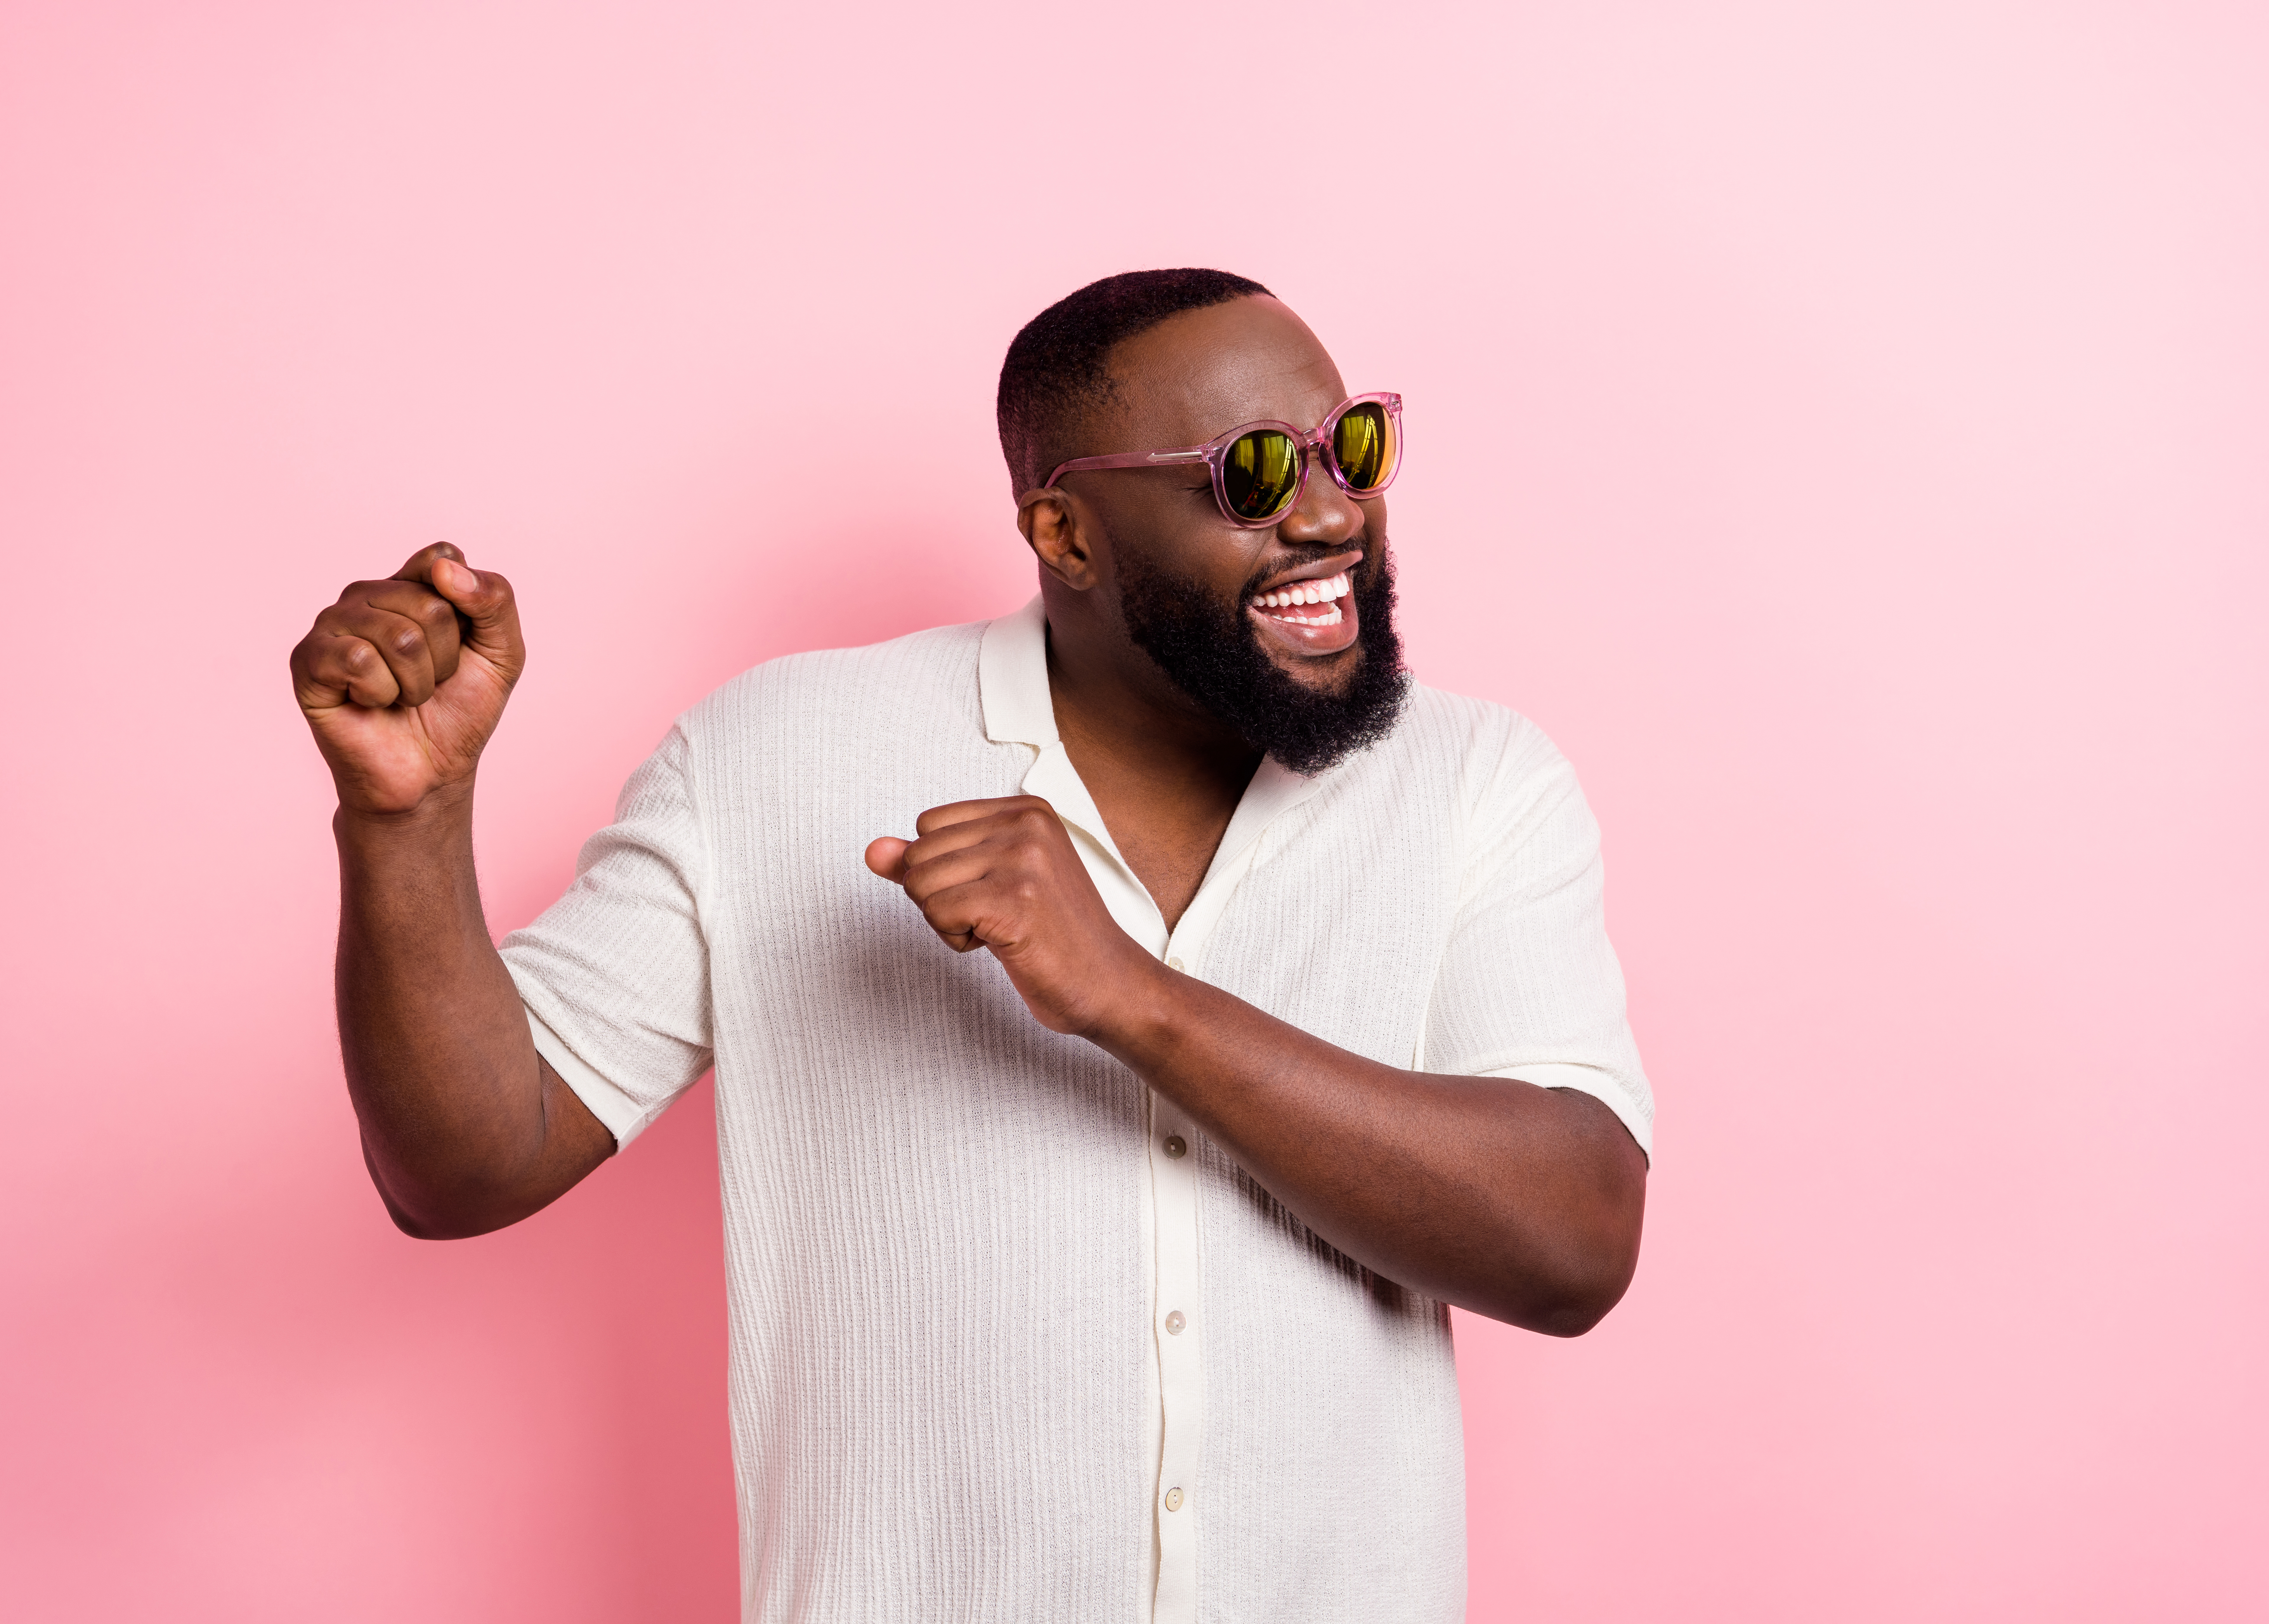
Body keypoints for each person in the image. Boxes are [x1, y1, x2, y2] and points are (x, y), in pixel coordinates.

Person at [288, 268, 1653, 1622]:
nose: (1330, 510)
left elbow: (1575, 1237)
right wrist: (407, 821)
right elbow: (463, 1164)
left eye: (1350, 444)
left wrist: (1134, 996)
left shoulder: (1477, 783)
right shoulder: (778, 755)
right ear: (1066, 532)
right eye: (1249, 473)